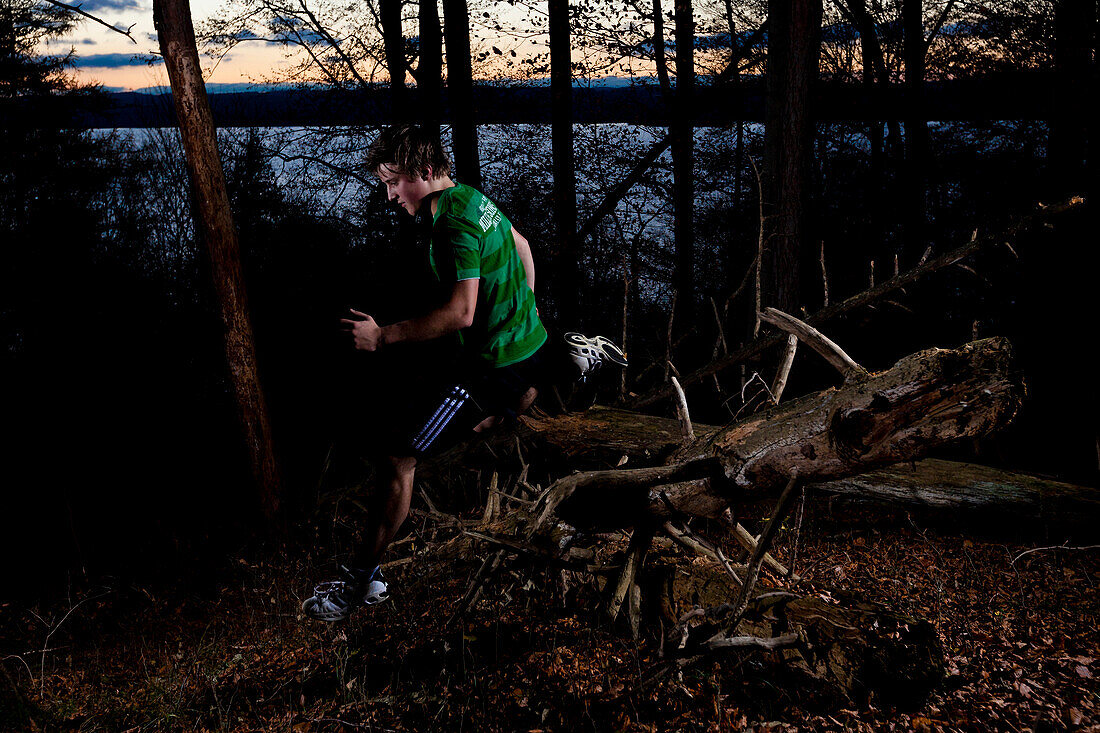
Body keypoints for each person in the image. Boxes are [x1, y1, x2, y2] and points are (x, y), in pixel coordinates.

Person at [303, 125, 626, 622]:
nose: (389, 195)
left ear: (425, 173)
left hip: (494, 369)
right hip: (528, 345)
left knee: (397, 457)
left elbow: (461, 313)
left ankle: (359, 585)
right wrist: (525, 313)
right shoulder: (472, 197)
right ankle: (562, 361)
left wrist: (382, 336)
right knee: (460, 400)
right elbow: (521, 246)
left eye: (394, 182)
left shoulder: (451, 225)